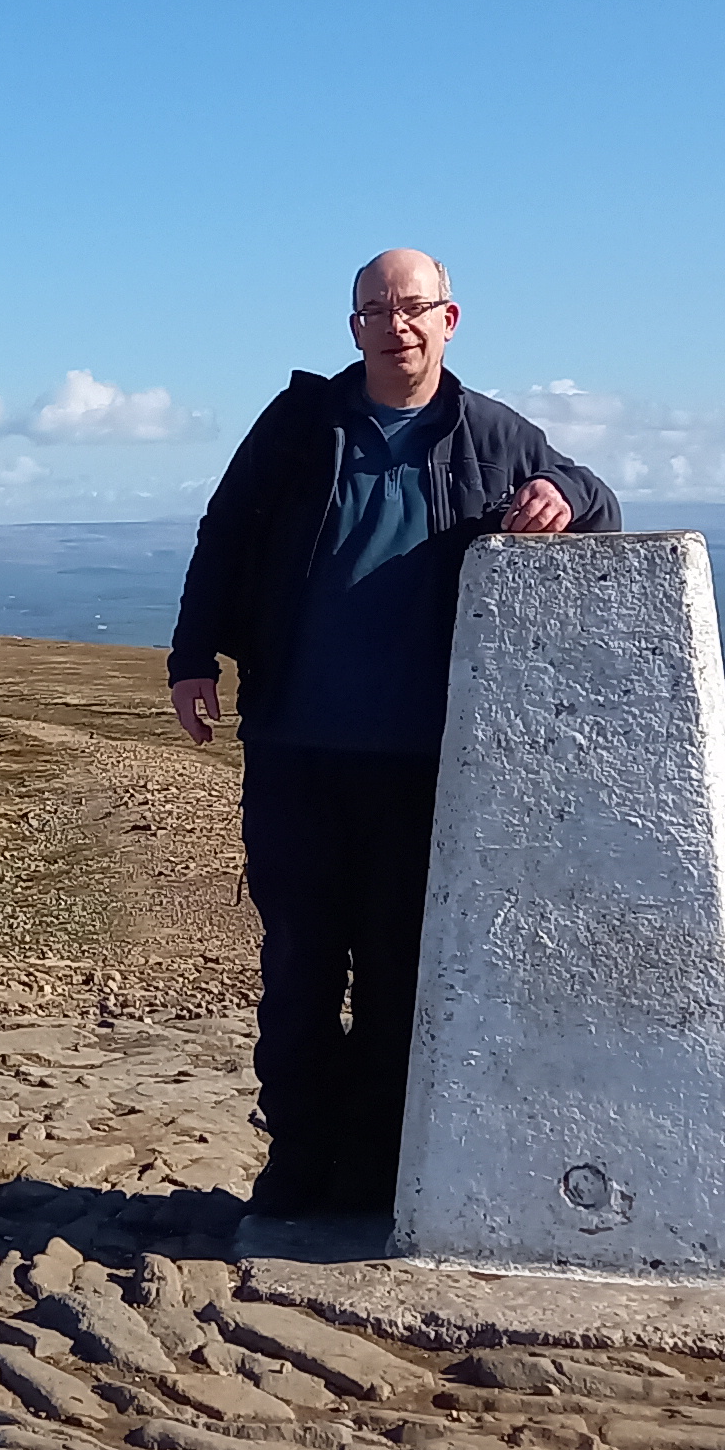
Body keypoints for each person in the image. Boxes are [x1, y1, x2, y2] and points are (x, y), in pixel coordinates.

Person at [164, 249, 620, 1219]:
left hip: (422, 764)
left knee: (396, 974)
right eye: (377, 309)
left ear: (450, 319)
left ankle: (372, 1172)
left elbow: (594, 494)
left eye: (414, 308)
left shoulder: (490, 434)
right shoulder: (299, 425)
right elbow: (225, 534)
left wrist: (566, 500)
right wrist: (191, 658)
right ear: (353, 328)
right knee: (298, 964)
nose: (396, 325)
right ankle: (295, 1168)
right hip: (293, 746)